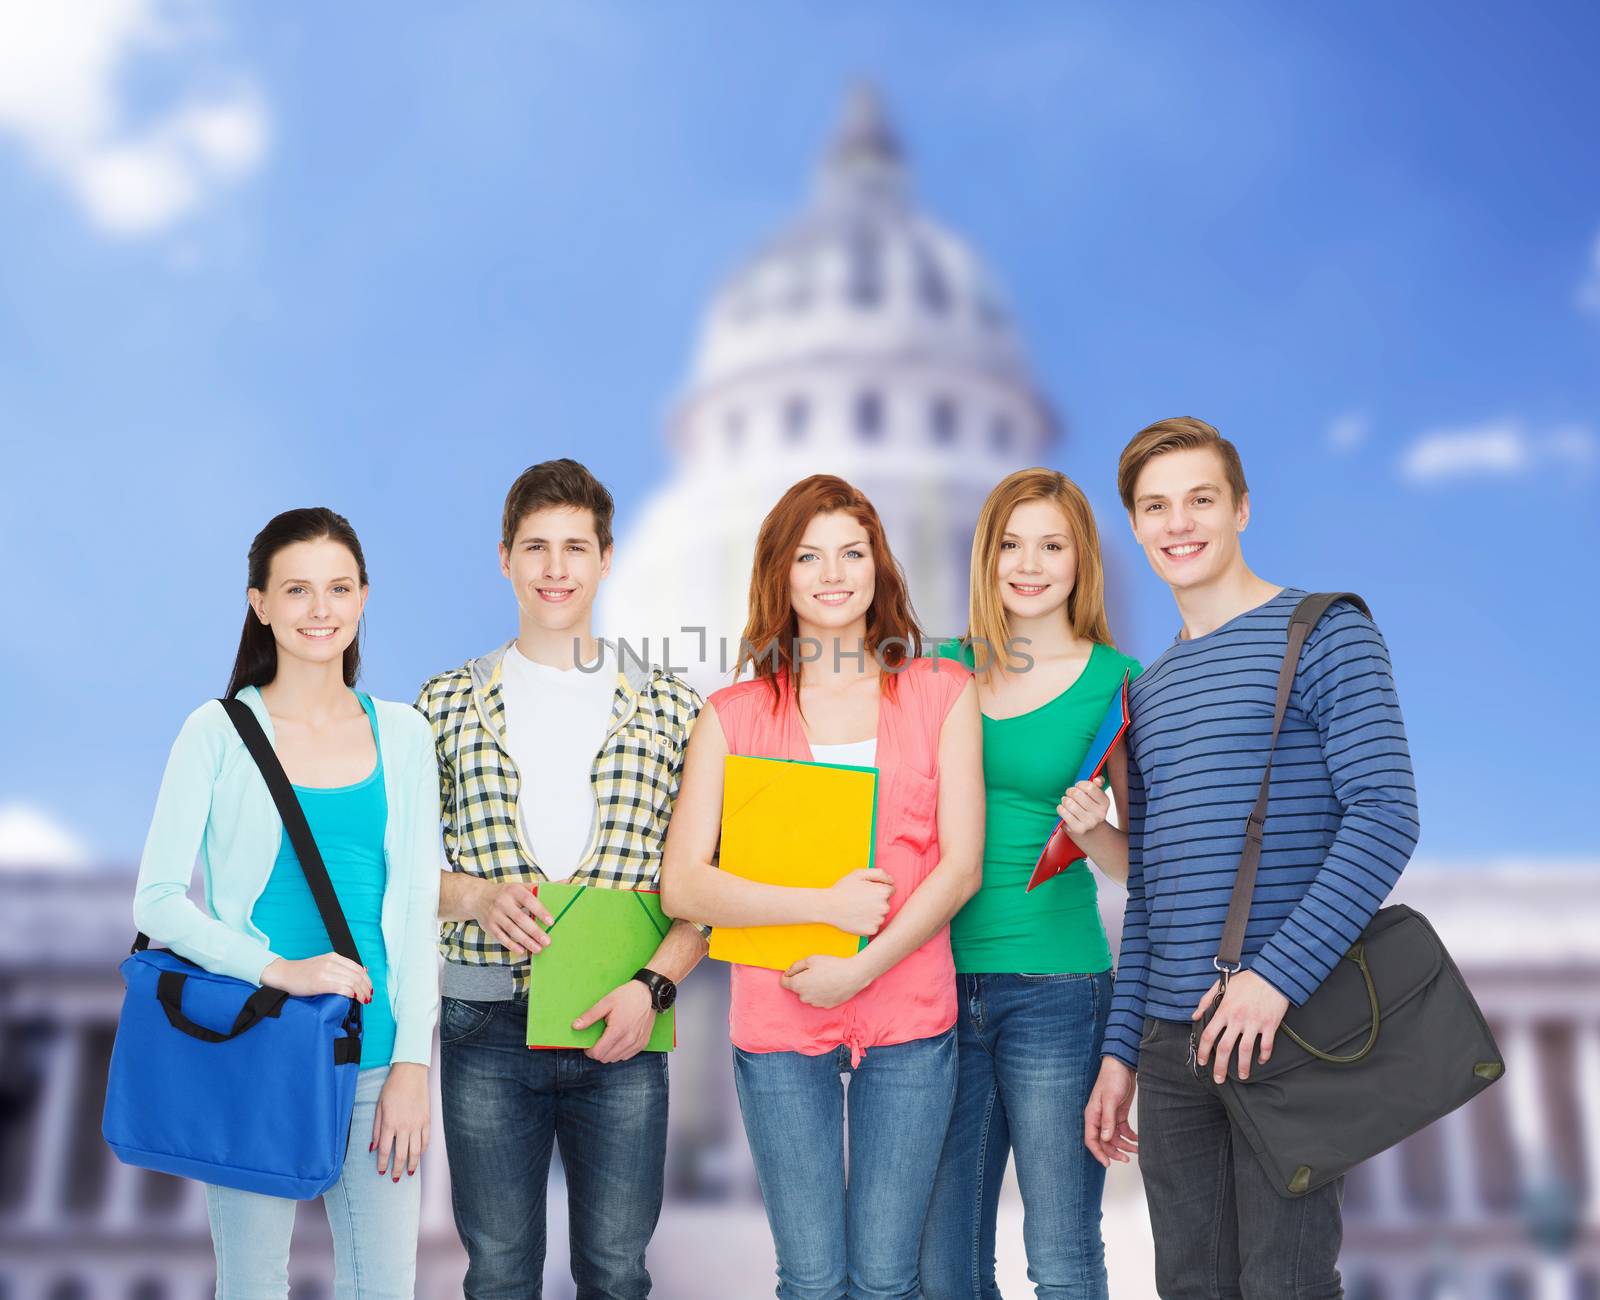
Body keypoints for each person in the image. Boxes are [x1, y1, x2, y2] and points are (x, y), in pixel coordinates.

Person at [1083, 418, 1420, 1298]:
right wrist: (1123, 1051)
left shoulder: (1326, 631)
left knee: (1288, 1285)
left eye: (1199, 499)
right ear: (1134, 525)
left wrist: (1274, 980)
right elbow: (1151, 888)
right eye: (1154, 507)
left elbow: (1384, 816)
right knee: (1190, 1288)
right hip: (1170, 1046)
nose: (1177, 523)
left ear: (1240, 508)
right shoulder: (1146, 691)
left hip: (1290, 1027)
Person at [660, 473, 985, 1300]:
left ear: (879, 565)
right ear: (780, 573)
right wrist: (822, 908)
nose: (833, 573)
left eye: (852, 551)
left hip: (910, 1011)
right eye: (810, 556)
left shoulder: (942, 692)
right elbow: (684, 886)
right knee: (809, 1278)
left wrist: (860, 967)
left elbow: (961, 867)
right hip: (776, 1016)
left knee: (885, 1277)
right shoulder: (731, 716)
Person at [413, 458, 707, 1300]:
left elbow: (705, 889)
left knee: (617, 1276)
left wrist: (652, 989)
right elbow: (391, 871)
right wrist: (473, 896)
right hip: (485, 1023)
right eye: (535, 547)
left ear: (606, 559)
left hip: (622, 1025)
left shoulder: (676, 710)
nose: (554, 568)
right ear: (503, 558)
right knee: (500, 1273)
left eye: (574, 547)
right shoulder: (441, 705)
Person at [132, 507, 442, 1300]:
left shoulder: (404, 734)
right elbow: (159, 901)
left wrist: (412, 1062)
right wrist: (280, 970)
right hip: (257, 1045)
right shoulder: (217, 730)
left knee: (383, 1289)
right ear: (259, 603)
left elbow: (413, 910)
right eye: (297, 590)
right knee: (252, 1285)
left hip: (375, 1058)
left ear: (365, 597)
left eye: (339, 588)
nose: (320, 609)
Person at [921, 468, 1141, 1300]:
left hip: (1059, 987)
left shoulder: (1119, 679)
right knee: (947, 1261)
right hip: (937, 985)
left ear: (1081, 559)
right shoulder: (940, 670)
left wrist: (1095, 833)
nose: (1030, 563)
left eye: (1051, 545)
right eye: (1011, 544)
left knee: (1061, 1252)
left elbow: (1135, 865)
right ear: (986, 555)